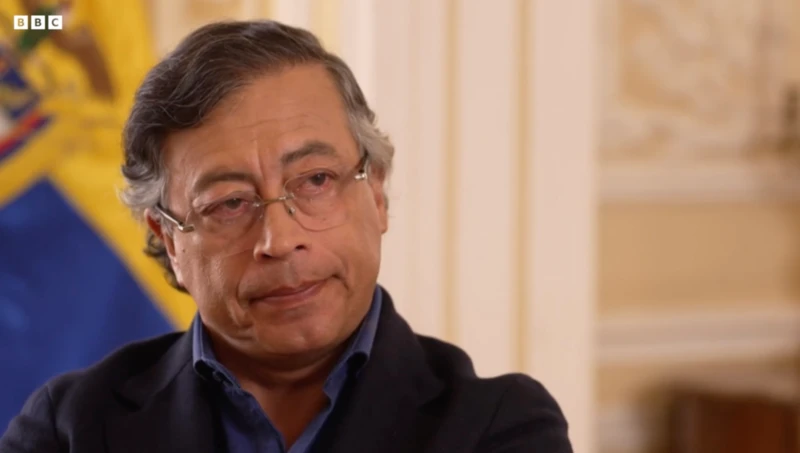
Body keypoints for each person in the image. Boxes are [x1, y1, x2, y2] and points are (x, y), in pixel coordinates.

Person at [0, 20, 572, 453]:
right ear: (169, 240)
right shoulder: (69, 428)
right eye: (229, 203)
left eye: (316, 180)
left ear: (376, 192)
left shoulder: (499, 426)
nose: (279, 238)